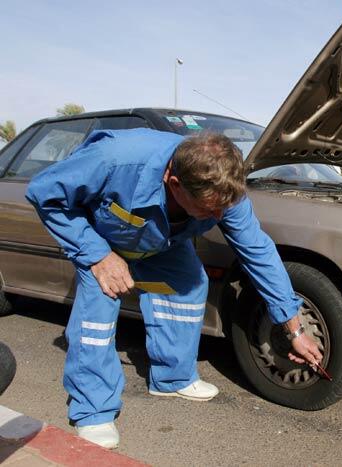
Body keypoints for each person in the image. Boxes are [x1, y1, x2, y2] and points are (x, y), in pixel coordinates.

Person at [26, 129, 323, 448]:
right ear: (174, 183)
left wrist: (293, 327)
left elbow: (258, 251)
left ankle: (172, 378)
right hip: (104, 238)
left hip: (162, 241)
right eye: (209, 211)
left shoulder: (224, 191)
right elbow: (44, 194)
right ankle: (93, 410)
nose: (219, 217)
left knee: (189, 283)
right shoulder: (115, 160)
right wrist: (97, 256)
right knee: (98, 311)